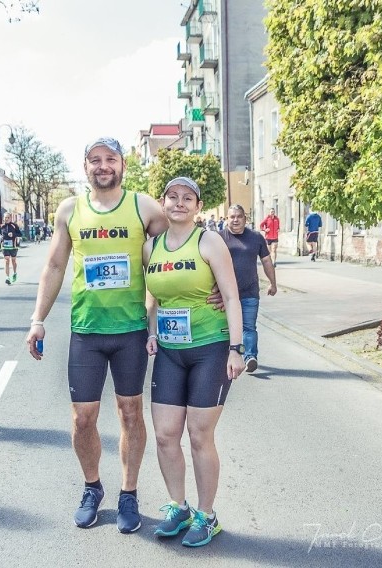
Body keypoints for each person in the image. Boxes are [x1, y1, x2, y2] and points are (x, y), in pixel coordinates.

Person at [26, 137, 168, 534]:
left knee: (129, 412)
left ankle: (128, 492)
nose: (102, 166)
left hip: (131, 329)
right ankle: (92, 487)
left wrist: (212, 273)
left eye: (110, 159)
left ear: (122, 165)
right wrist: (38, 318)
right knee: (82, 418)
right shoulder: (71, 209)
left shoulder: (143, 206)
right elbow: (54, 265)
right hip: (87, 330)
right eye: (94, 160)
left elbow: (179, 238)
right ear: (85, 166)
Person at [143, 176, 245, 547]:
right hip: (170, 352)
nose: (180, 203)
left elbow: (232, 297)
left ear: (198, 207)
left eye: (188, 198)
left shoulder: (209, 241)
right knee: (165, 435)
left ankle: (207, 515)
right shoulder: (150, 246)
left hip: (210, 349)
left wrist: (237, 347)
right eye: (173, 197)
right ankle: (178, 506)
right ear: (163, 203)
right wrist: (151, 331)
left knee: (200, 436)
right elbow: (151, 298)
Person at [220, 204, 276, 373]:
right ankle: (224, 356)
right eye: (232, 217)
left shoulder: (256, 237)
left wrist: (273, 283)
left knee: (249, 327)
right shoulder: (218, 238)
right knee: (224, 328)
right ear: (227, 219)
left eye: (239, 216)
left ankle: (250, 356)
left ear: (245, 218)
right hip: (224, 295)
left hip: (249, 292)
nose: (235, 220)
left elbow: (266, 261)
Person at [0, 213, 23, 284]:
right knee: (6, 261)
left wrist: (13, 234)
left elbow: (20, 234)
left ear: (10, 218)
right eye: (5, 217)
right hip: (5, 246)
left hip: (13, 246)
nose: (6, 219)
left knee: (13, 261)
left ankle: (15, 273)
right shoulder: (2, 226)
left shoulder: (14, 226)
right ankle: (7, 277)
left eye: (8, 217)